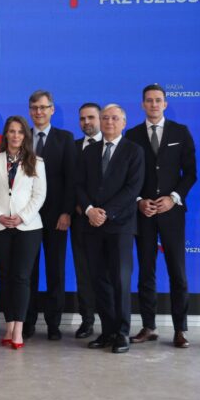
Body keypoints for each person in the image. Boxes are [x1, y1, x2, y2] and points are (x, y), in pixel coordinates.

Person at [126, 84, 196, 348]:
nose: (154, 104)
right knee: (146, 271)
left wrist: (173, 198)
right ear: (142, 104)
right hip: (143, 213)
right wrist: (138, 201)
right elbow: (128, 176)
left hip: (172, 212)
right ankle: (149, 326)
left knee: (177, 271)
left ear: (165, 104)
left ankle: (180, 329)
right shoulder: (132, 135)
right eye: (149, 100)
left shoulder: (181, 132)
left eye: (158, 100)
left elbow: (190, 173)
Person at [77, 104, 144, 354]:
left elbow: (132, 188)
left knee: (120, 280)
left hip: (120, 226)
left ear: (124, 122)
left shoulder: (134, 151)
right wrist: (89, 210)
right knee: (99, 281)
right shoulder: (89, 151)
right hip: (92, 225)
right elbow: (79, 185)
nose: (109, 122)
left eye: (115, 118)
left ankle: (122, 333)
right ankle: (107, 331)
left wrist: (106, 213)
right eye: (105, 118)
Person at [0, 116, 46, 350]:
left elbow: (39, 195)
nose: (15, 135)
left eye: (20, 132)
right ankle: (8, 326)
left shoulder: (36, 162)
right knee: (6, 277)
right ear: (6, 134)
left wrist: (21, 217)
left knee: (22, 277)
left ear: (25, 135)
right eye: (11, 131)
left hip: (27, 228)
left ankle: (19, 328)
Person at [25, 90, 76, 340]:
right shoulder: (21, 137)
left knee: (55, 271)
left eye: (43, 107)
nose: (39, 112)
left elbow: (71, 179)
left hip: (57, 217)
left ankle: (54, 324)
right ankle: (27, 322)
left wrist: (67, 212)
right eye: (34, 107)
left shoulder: (65, 138)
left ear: (52, 110)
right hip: (27, 217)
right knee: (29, 272)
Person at [70, 103, 101, 339]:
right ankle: (87, 320)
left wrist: (99, 211)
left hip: (108, 221)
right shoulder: (73, 147)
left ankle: (111, 322)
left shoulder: (114, 146)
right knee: (83, 274)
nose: (86, 122)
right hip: (80, 220)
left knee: (108, 274)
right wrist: (79, 206)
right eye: (82, 118)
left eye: (91, 117)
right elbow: (69, 182)